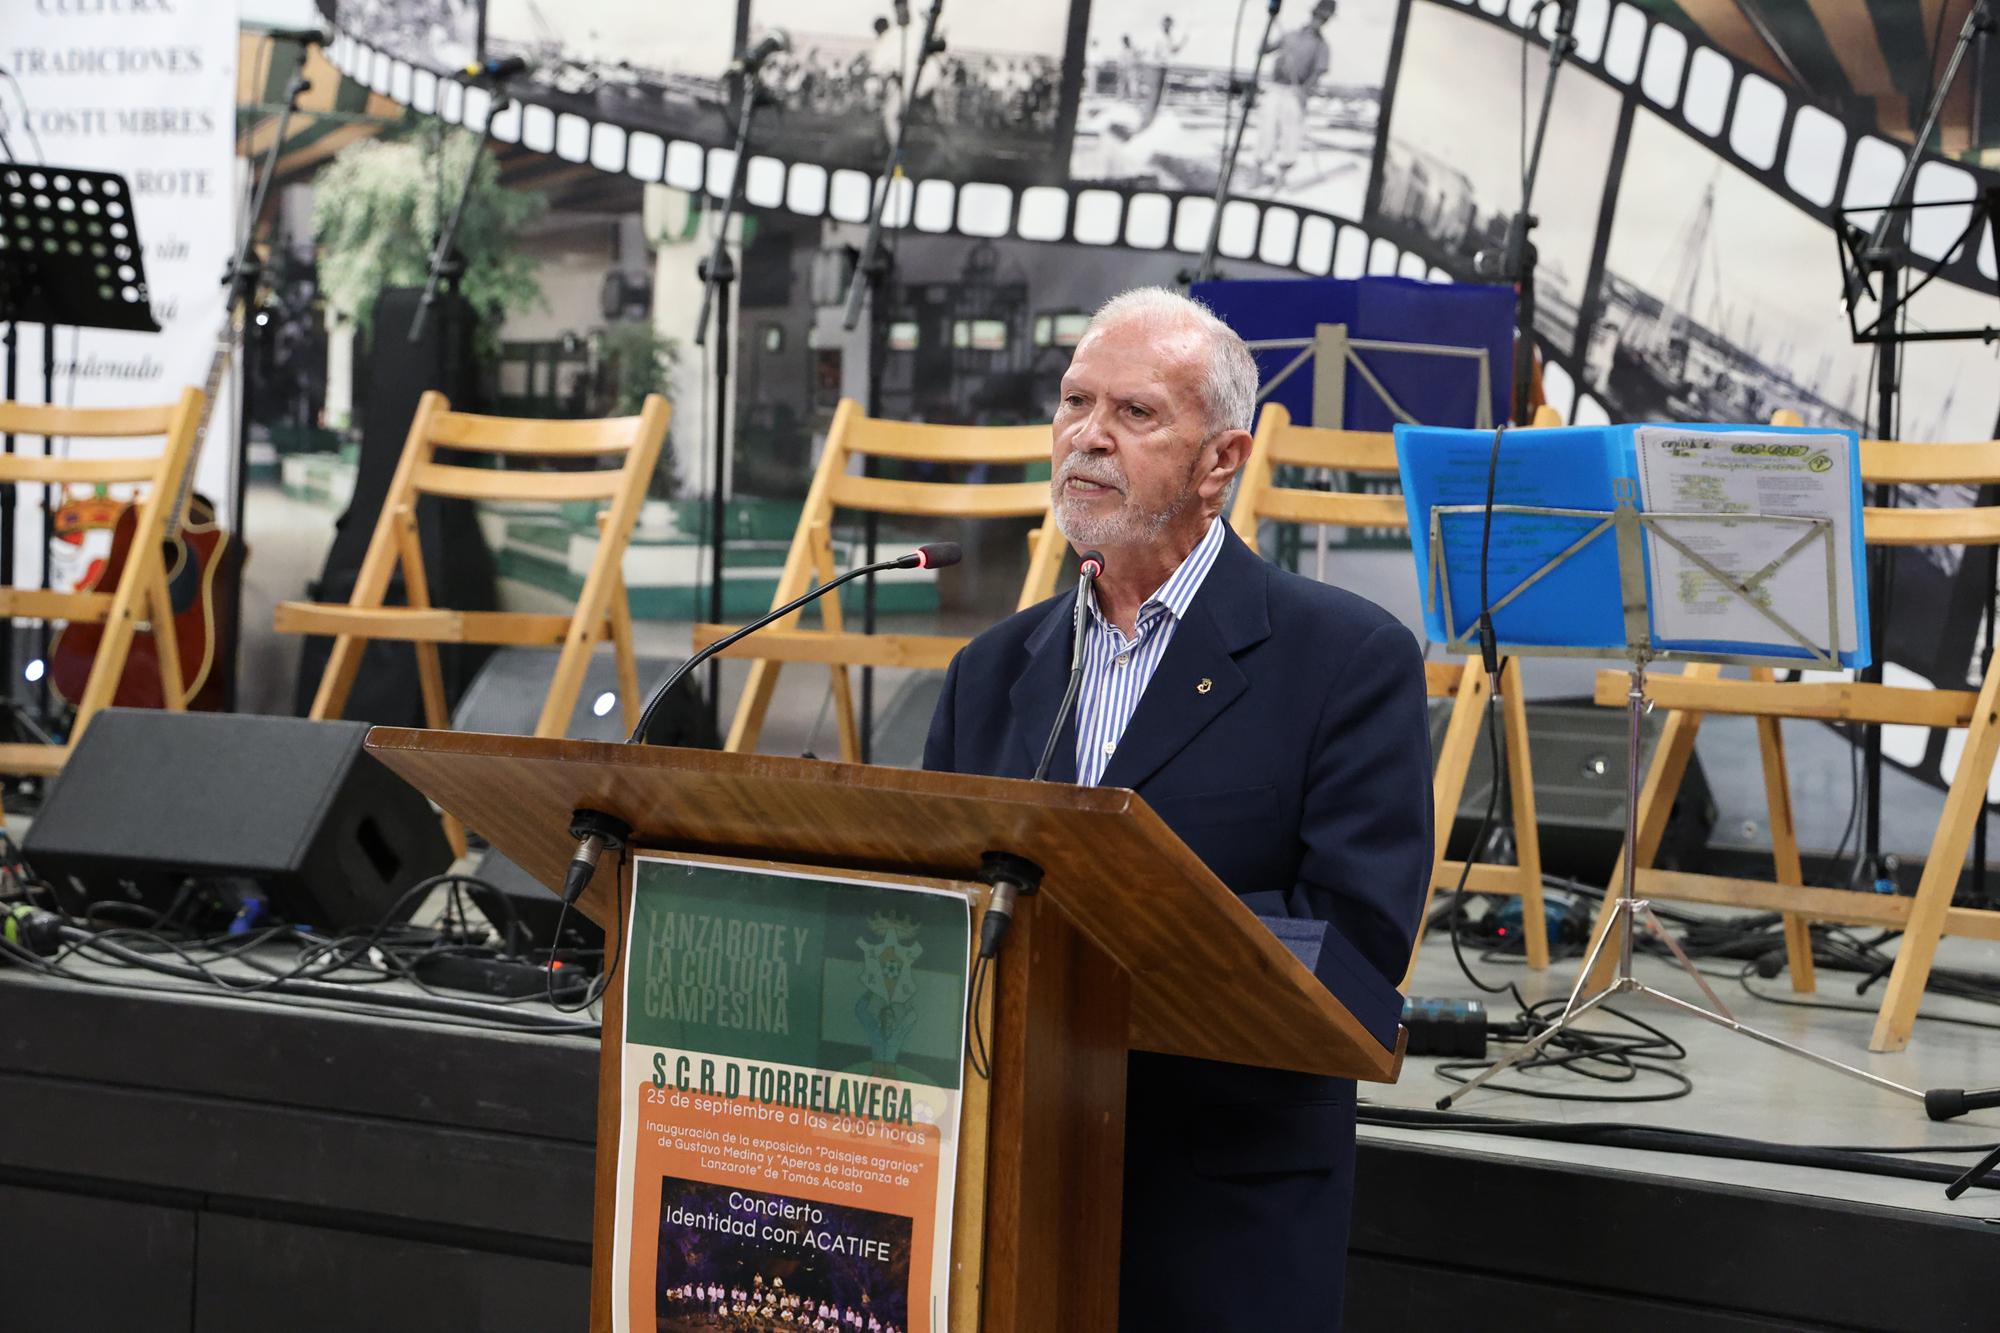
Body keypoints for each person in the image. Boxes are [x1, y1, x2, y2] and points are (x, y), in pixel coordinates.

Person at [923, 287, 1431, 1331]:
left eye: (1134, 413)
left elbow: (1353, 934)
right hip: (1005, 1197)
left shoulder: (1345, 661)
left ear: (1219, 462)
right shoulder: (989, 670)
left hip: (1212, 1204)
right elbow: (934, 904)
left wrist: (1092, 963)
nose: (1086, 437)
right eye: (1073, 402)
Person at [1255, 0, 1338, 192]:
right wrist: (1267, 30)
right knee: (1266, 129)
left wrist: (1304, 90)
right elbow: (1263, 50)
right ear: (1312, 14)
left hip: (1295, 91)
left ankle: (1280, 178)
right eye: (1318, 16)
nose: (1320, 21)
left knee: (1290, 134)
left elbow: (1318, 73)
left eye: (1324, 19)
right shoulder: (1290, 35)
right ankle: (1257, 173)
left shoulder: (1322, 46)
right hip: (1275, 87)